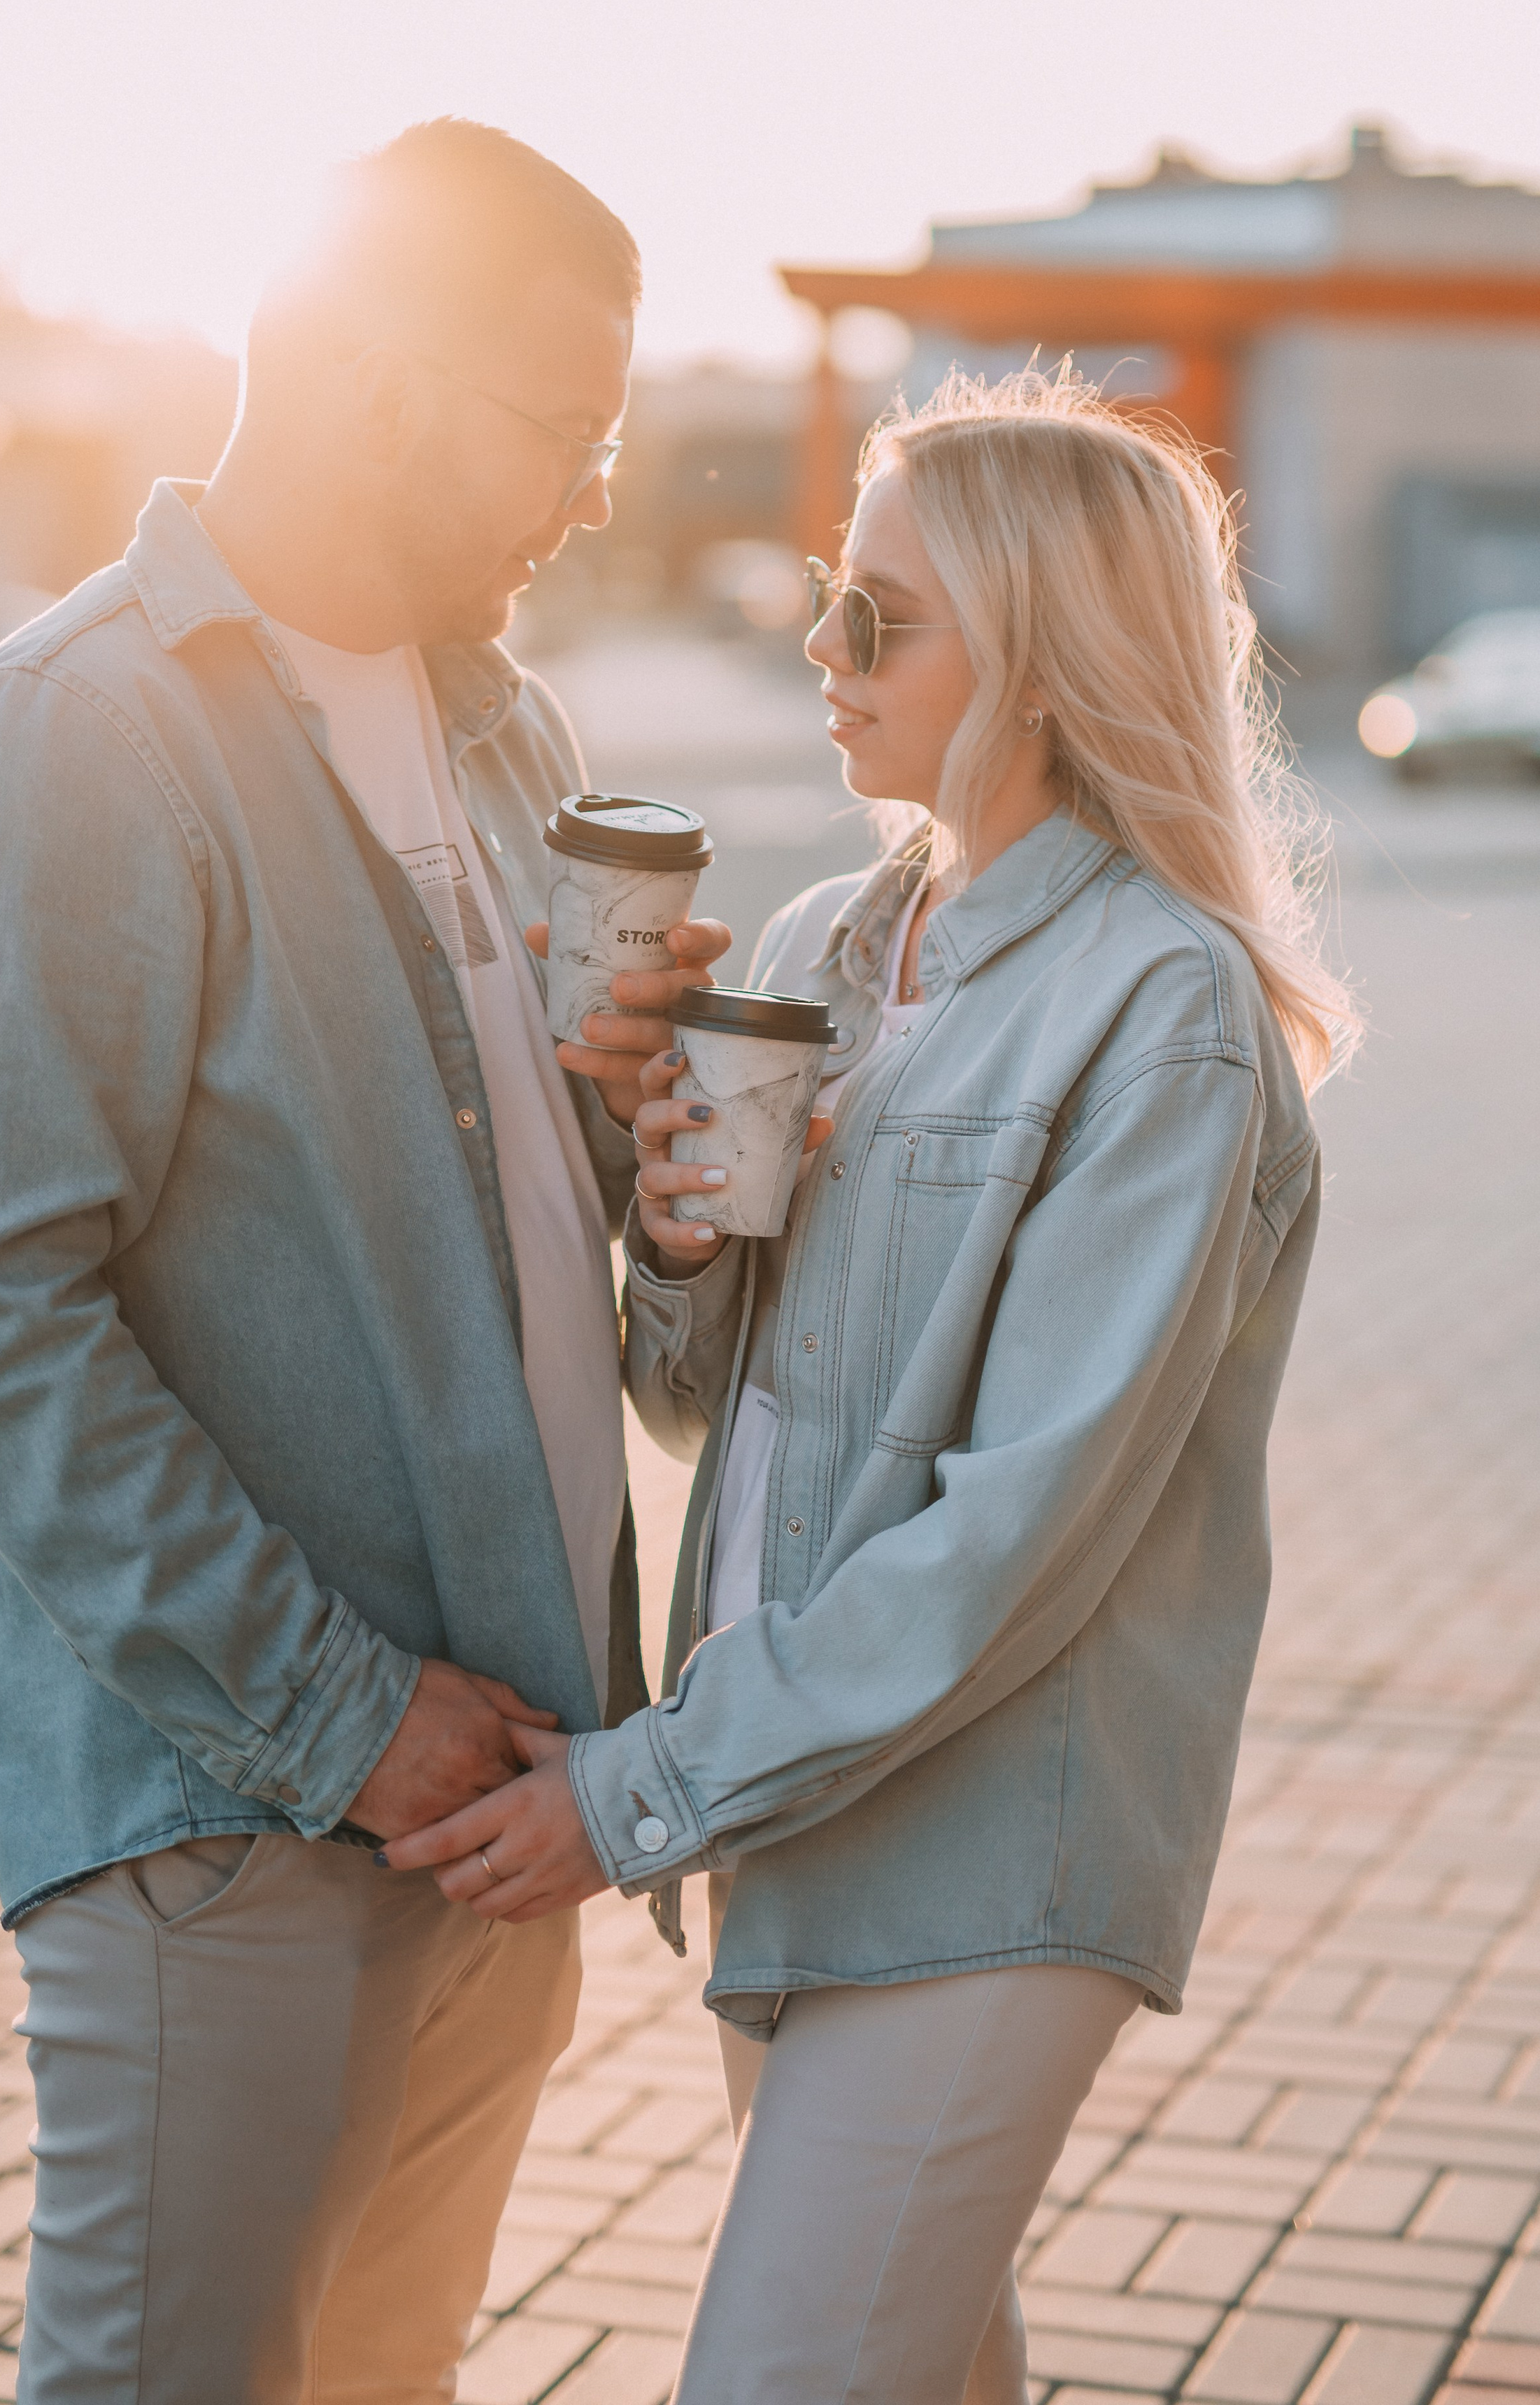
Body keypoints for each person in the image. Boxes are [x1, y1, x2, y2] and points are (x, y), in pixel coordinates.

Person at [381, 368, 1358, 2403]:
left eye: (881, 619)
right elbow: (698, 1409)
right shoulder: (834, 946)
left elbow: (1012, 1539)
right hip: (801, 1815)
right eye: (832, 597)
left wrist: (628, 1796)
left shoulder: (1163, 1015)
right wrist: (673, 1233)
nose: (821, 651)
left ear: (1051, 653)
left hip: (987, 1852)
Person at [0, 120, 730, 2402]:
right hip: (239, 1820)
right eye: (565, 427)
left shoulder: (508, 733)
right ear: (367, 378)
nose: (596, 491)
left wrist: (657, 1140)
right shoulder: (73, 740)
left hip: (506, 1789)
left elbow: (558, 1272)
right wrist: (348, 1723)